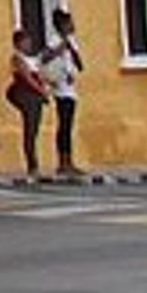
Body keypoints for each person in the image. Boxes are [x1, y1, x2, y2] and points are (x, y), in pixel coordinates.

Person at [42, 10, 86, 177]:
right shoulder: (54, 41)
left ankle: (69, 161)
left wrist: (73, 51)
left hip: (71, 88)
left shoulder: (72, 42)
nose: (73, 25)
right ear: (62, 25)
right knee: (64, 125)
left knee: (69, 125)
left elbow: (80, 65)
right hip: (60, 89)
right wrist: (60, 49)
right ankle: (63, 162)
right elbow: (44, 58)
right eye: (69, 23)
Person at [4, 25, 49, 178]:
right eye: (25, 41)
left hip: (35, 96)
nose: (28, 44)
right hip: (27, 95)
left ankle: (34, 164)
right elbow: (27, 78)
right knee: (29, 130)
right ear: (18, 43)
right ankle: (32, 165)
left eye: (28, 41)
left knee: (34, 129)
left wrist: (44, 86)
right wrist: (41, 90)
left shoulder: (32, 58)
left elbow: (39, 74)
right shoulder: (17, 58)